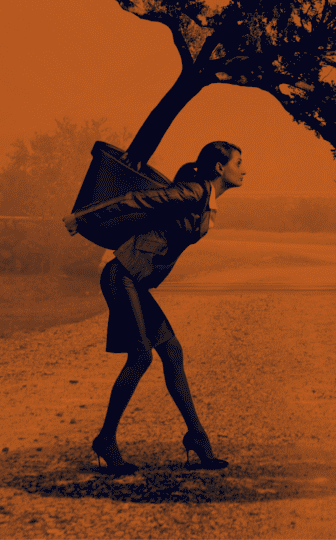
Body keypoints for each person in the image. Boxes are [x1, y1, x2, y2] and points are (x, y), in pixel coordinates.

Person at [62, 141, 245, 475]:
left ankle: (198, 438)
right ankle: (106, 440)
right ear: (220, 168)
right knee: (141, 355)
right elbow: (136, 199)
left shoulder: (205, 197)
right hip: (122, 274)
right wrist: (84, 217)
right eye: (239, 162)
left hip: (136, 278)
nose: (244, 169)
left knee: (172, 353)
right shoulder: (192, 193)